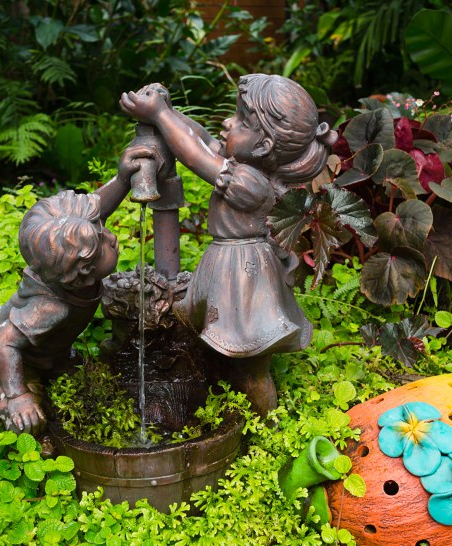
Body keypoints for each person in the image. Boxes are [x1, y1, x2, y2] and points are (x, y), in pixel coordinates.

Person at [120, 75, 337, 416]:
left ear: (263, 146)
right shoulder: (245, 163)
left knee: (251, 365)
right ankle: (222, 395)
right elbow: (202, 140)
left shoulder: (251, 183)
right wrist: (168, 113)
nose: (227, 123)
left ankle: (264, 423)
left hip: (244, 275)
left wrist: (160, 115)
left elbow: (196, 157)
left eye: (241, 121)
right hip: (228, 265)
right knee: (223, 345)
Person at [0, 147, 152, 434]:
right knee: (25, 421)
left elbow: (95, 214)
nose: (111, 237)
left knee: (81, 379)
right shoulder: (50, 307)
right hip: (7, 365)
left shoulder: (69, 268)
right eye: (102, 241)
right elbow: (1, 340)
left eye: (102, 228)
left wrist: (122, 180)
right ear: (82, 271)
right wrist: (17, 396)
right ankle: (23, 423)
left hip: (51, 353)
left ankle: (55, 365)